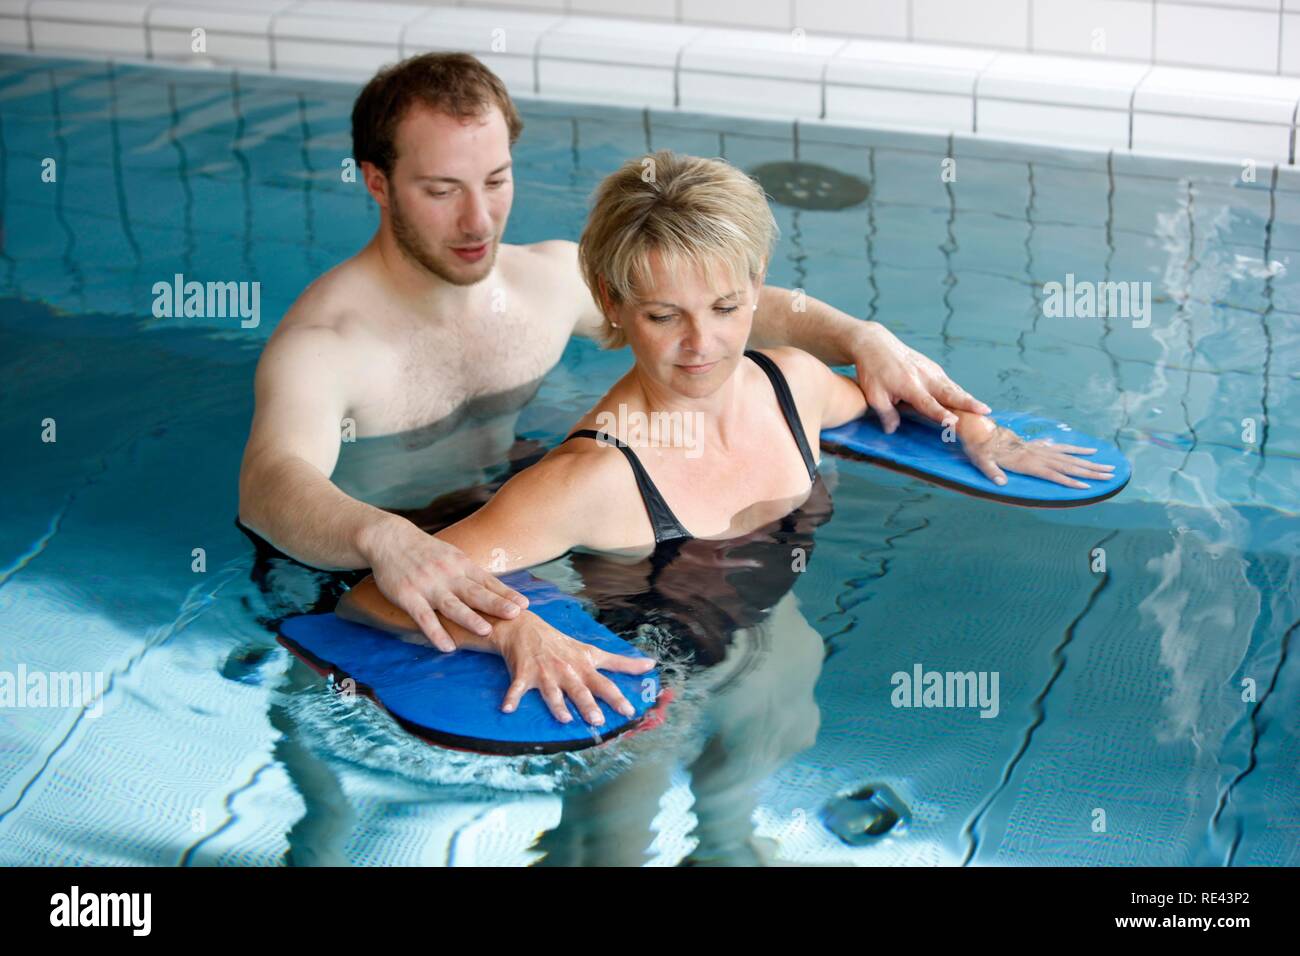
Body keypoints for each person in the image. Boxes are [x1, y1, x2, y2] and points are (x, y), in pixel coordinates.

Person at [237, 51, 995, 657]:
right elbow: (269, 487)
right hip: (365, 570)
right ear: (377, 182)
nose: (478, 219)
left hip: (514, 520)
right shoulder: (326, 346)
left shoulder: (544, 281)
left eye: (496, 181)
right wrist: (386, 539)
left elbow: (705, 299)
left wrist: (863, 339)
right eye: (441, 190)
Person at [336, 150, 1115, 725]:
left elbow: (892, 403)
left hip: (769, 628)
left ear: (759, 282)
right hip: (637, 684)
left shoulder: (792, 384)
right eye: (662, 315)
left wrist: (974, 428)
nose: (701, 344)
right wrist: (516, 631)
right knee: (617, 837)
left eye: (725, 306)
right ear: (611, 303)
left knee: (769, 773)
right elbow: (377, 595)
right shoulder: (588, 481)